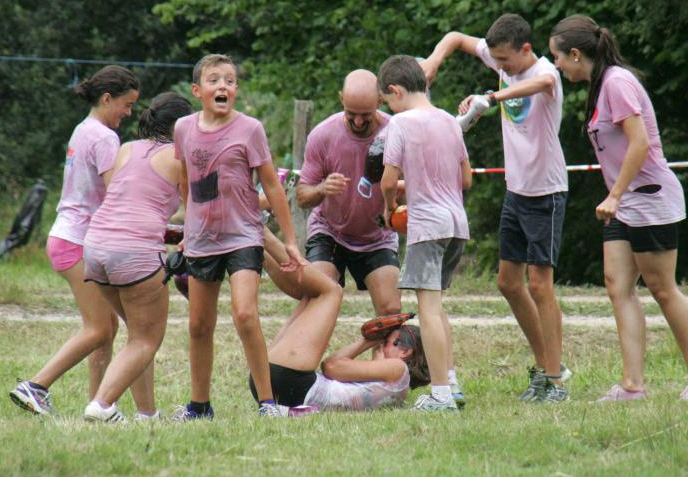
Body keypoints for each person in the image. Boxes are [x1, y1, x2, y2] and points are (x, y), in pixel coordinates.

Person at [549, 14, 688, 401]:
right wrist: (618, 199)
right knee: (617, 285)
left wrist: (615, 195)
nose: (555, 65)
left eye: (557, 57)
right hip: (625, 204)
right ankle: (632, 386)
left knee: (662, 288)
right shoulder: (602, 85)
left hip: (648, 197)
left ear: (575, 54)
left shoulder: (617, 82)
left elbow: (639, 143)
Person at [421, 13, 570, 403]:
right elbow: (455, 36)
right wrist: (433, 61)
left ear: (525, 49)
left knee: (540, 286)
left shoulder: (545, 71)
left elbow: (540, 83)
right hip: (516, 190)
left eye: (505, 61)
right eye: (496, 60)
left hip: (546, 193)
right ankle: (544, 366)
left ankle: (556, 381)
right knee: (508, 282)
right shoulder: (503, 57)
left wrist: (492, 96)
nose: (499, 66)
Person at [172, 54, 305, 419]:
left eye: (229, 81)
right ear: (198, 90)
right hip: (201, 239)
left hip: (244, 235)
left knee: (245, 314)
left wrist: (289, 241)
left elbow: (273, 186)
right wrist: (186, 227)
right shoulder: (183, 128)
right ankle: (199, 406)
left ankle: (268, 403)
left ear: (236, 90)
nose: (223, 86)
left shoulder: (250, 129)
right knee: (199, 325)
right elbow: (186, 178)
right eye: (215, 80)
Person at [10, 65, 140, 415]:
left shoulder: (84, 129)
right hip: (77, 242)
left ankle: (99, 405)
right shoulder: (104, 137)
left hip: (67, 236)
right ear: (107, 98)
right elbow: (117, 193)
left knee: (107, 328)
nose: (128, 113)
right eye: (126, 105)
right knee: (98, 328)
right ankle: (35, 386)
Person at [81, 92, 192, 422]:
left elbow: (127, 203)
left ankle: (147, 414)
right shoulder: (179, 157)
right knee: (146, 339)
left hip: (97, 246)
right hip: (136, 254)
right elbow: (196, 210)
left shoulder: (126, 149)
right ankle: (101, 405)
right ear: (181, 126)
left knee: (136, 335)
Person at [378, 55, 471, 411]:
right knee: (437, 307)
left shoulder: (400, 124)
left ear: (395, 91)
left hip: (427, 225)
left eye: (388, 101)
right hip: (455, 224)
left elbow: (388, 180)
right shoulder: (449, 120)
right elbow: (466, 179)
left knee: (427, 309)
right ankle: (452, 382)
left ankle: (441, 395)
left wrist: (389, 206)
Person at [250, 229, 429, 411]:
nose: (381, 345)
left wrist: (367, 341)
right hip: (285, 385)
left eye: (388, 341)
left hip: (292, 384)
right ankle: (252, 237)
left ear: (405, 352)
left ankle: (260, 229)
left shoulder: (398, 369)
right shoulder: (396, 387)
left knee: (331, 291)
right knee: (310, 294)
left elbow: (331, 366)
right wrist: (370, 340)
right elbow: (332, 364)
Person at [295, 70, 401, 317]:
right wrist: (322, 188)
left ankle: (383, 357)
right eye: (351, 114)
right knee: (316, 298)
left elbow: (414, 188)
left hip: (378, 237)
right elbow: (302, 196)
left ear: (380, 102)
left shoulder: (396, 133)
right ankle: (302, 355)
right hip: (330, 232)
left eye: (366, 115)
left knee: (391, 310)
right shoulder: (323, 135)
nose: (359, 122)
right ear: (341, 99)